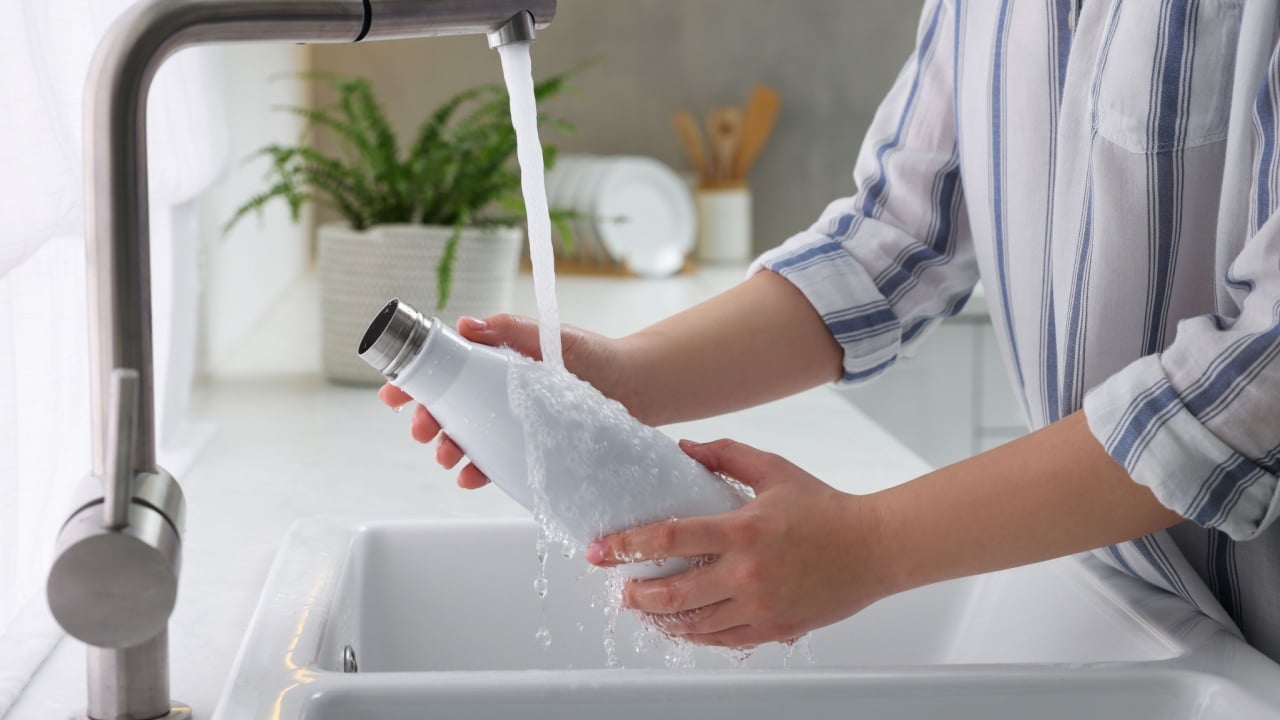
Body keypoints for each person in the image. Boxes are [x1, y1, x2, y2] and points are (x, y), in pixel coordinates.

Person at [382, 0, 1280, 660]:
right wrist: (620, 379)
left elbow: (1253, 384)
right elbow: (896, 234)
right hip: (1140, 606)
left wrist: (872, 546)